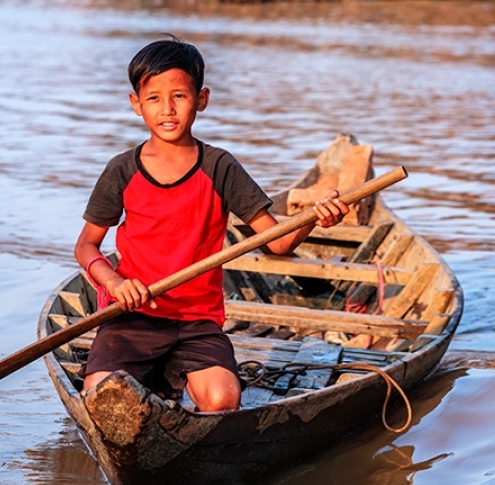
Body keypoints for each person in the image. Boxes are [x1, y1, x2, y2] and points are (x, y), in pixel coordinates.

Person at [74, 36, 349, 412]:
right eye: (154, 98)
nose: (167, 109)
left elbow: (278, 243)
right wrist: (115, 282)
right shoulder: (122, 169)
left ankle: (171, 384)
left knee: (222, 400)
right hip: (131, 317)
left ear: (201, 99)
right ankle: (157, 381)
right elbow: (86, 245)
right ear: (136, 104)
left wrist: (315, 218)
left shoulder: (219, 167)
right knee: (102, 397)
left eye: (180, 96)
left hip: (196, 322)